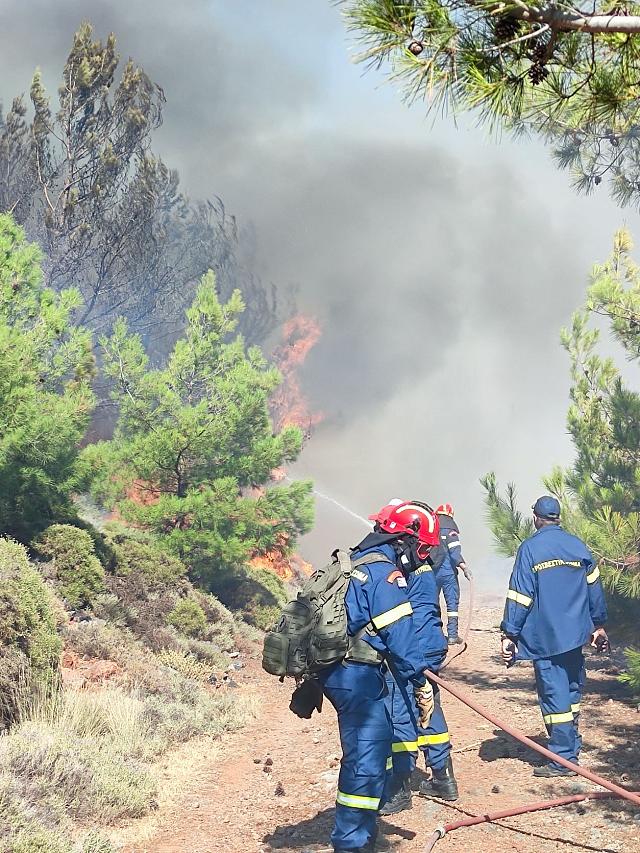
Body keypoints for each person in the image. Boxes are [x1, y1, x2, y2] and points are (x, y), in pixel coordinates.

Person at [316, 502, 440, 853]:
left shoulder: (357, 561)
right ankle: (352, 842)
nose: (423, 557)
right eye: (424, 548)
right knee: (366, 759)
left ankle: (363, 833)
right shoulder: (386, 574)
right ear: (405, 539)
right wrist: (420, 680)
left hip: (346, 672)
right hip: (355, 675)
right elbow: (400, 635)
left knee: (371, 751)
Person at [500, 496, 608, 778]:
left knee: (555, 696)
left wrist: (509, 631)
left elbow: (520, 595)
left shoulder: (530, 549)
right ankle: (571, 745)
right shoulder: (578, 546)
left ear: (536, 517)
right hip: (576, 636)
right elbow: (594, 589)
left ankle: (562, 759)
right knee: (572, 691)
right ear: (558, 517)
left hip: (546, 639)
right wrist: (598, 625)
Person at [370, 500, 458, 815]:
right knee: (428, 708)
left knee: (402, 713)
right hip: (430, 646)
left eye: (384, 530)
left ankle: (399, 789)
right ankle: (444, 777)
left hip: (410, 649)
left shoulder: (399, 571)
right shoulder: (423, 565)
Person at [433, 503, 472, 645]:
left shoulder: (431, 529)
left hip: (432, 572)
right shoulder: (450, 530)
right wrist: (465, 568)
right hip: (448, 573)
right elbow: (455, 554)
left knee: (432, 603)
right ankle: (452, 635)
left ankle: (435, 635)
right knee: (452, 604)